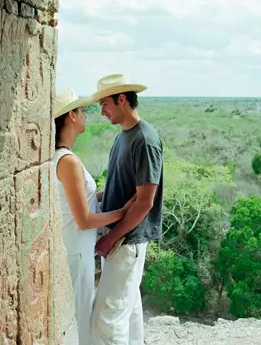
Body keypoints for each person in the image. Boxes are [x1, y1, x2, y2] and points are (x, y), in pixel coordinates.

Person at [53, 88, 134, 345]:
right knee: (79, 319)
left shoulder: (60, 158)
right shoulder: (68, 162)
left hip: (76, 247)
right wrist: (122, 212)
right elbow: (85, 219)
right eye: (82, 110)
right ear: (71, 117)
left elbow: (82, 202)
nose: (86, 114)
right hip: (77, 251)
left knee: (78, 315)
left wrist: (110, 195)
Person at [89, 74, 164, 345]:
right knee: (129, 311)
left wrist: (112, 237)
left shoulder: (144, 139)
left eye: (105, 103)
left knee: (106, 320)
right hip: (119, 237)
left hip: (125, 240)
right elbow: (118, 188)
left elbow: (145, 201)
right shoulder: (124, 137)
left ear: (122, 99)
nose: (102, 111)